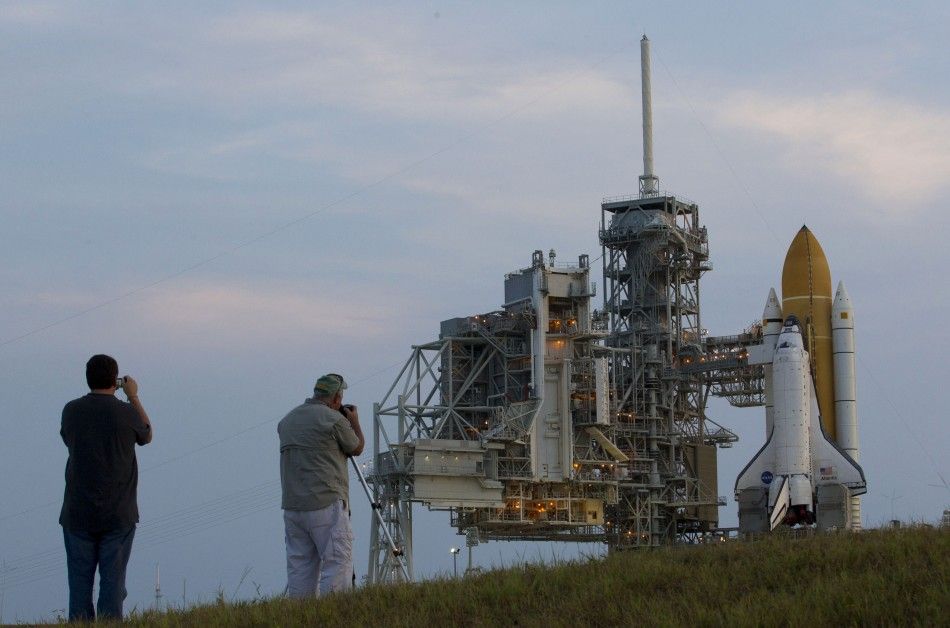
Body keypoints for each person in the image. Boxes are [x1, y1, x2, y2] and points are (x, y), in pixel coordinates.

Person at [59, 354, 152, 622]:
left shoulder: (71, 410)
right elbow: (147, 433)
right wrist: (133, 396)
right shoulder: (127, 413)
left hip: (77, 513)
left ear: (87, 378)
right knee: (112, 583)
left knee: (79, 584)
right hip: (118, 514)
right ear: (116, 380)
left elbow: (68, 439)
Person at [278, 373, 365, 598]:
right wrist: (353, 421)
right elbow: (356, 447)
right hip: (326, 503)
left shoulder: (287, 420)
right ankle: (335, 616)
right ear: (336, 398)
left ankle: (301, 617)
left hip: (293, 507)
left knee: (300, 567)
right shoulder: (333, 420)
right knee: (337, 562)